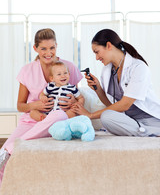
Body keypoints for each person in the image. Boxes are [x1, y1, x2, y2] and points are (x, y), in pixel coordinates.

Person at [0, 28, 82, 184]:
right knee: (2, 163)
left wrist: (74, 102)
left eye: (52, 48)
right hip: (33, 120)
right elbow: (20, 106)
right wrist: (35, 105)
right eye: (43, 48)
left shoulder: (69, 67)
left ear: (56, 46)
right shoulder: (27, 71)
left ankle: (12, 147)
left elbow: (78, 97)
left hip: (59, 120)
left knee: (56, 115)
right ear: (35, 48)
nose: (48, 53)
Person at [73, 29, 160, 137]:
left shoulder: (138, 67)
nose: (96, 58)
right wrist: (98, 89)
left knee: (106, 116)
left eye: (97, 51)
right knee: (106, 117)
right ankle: (144, 131)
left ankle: (150, 130)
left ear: (109, 45)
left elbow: (125, 104)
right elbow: (112, 105)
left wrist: (90, 115)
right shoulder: (107, 70)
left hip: (149, 119)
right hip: (129, 120)